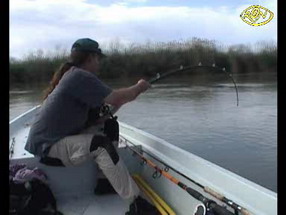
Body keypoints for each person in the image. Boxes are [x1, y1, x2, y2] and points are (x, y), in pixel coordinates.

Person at [25, 38, 160, 214]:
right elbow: (117, 96)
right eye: (98, 59)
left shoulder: (76, 77)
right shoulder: (79, 76)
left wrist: (125, 98)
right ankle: (136, 203)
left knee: (110, 126)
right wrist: (139, 87)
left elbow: (103, 113)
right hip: (47, 146)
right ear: (90, 58)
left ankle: (104, 182)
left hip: (58, 139)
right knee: (101, 145)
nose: (99, 64)